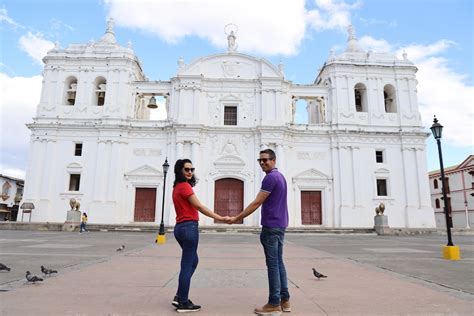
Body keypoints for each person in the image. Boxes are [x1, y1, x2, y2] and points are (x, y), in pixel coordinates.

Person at [227, 149, 290, 314]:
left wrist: (237, 218)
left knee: (273, 265)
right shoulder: (281, 177)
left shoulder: (270, 178)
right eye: (260, 160)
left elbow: (257, 202)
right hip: (280, 225)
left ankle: (274, 303)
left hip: (271, 227)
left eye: (265, 160)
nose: (262, 163)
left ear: (274, 160)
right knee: (279, 263)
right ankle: (285, 300)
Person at [171, 159, 229, 313]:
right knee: (186, 264)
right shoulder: (184, 187)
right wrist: (220, 217)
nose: (190, 172)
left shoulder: (177, 187)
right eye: (186, 169)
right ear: (179, 171)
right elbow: (198, 206)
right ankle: (182, 301)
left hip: (180, 228)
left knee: (193, 261)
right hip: (188, 228)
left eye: (191, 169)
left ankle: (179, 295)